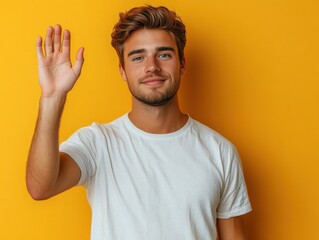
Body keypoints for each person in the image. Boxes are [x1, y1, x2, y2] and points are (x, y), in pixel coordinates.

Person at [27, 5, 252, 240]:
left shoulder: (220, 152)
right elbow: (41, 187)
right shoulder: (98, 143)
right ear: (123, 70)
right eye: (138, 57)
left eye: (164, 54)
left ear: (182, 64)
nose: (152, 67)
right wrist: (52, 98)